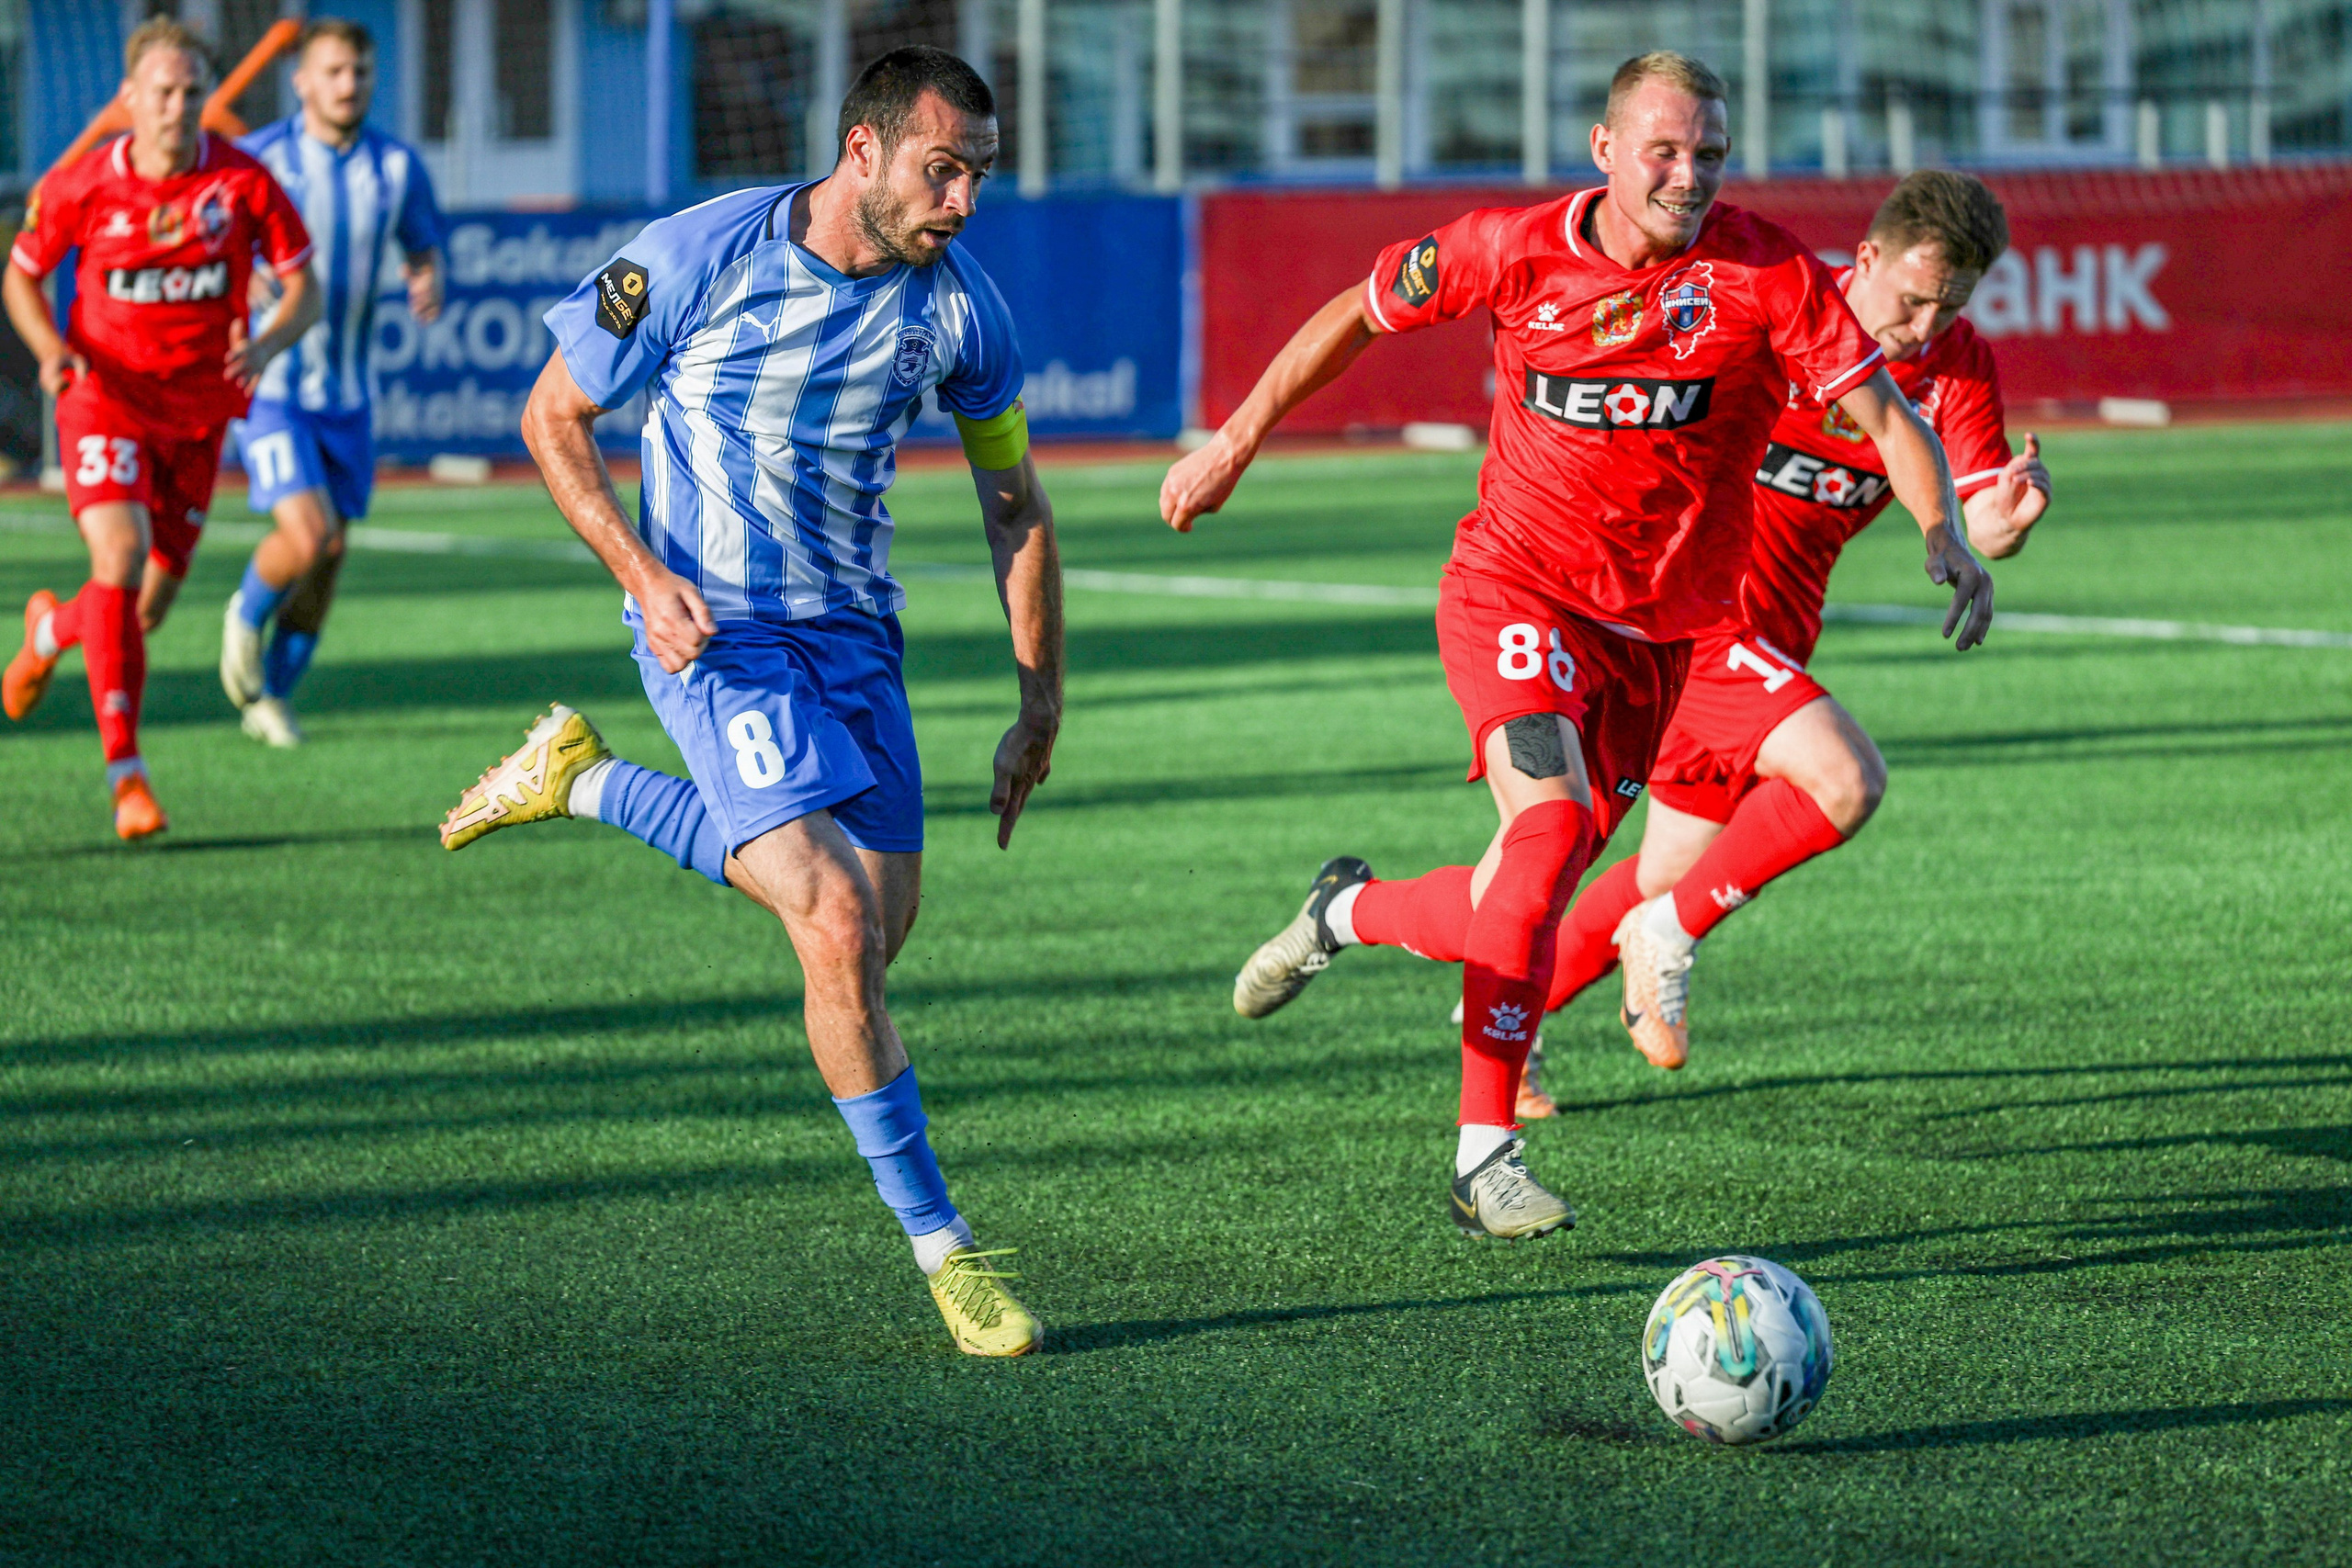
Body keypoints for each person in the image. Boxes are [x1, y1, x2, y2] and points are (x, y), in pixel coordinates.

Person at [1163, 51, 1992, 1241]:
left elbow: (1885, 416)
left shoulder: (1767, 278)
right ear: (1605, 149)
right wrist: (1236, 437)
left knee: (1525, 891)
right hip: (1515, 589)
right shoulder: (1511, 246)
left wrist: (1942, 532)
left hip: (1657, 641)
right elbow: (1360, 309)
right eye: (1664, 149)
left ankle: (1343, 911)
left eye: (1708, 153)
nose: (1688, 174)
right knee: (1548, 836)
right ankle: (1481, 1155)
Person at [435, 48, 1062, 1356]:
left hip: (857, 639)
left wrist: (1037, 696)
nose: (963, 200)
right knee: (832, 923)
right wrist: (642, 570)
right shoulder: (695, 255)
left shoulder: (960, 311)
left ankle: (584, 777)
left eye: (980, 176)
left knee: (877, 931)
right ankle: (946, 1249)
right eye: (943, 169)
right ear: (864, 154)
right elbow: (555, 415)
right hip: (714, 629)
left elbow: (1013, 502)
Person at [1529, 170, 2052, 1085]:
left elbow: (1982, 523)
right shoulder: (1775, 301)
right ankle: (1667, 937)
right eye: (1913, 299)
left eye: (1949, 306)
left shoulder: (1954, 367)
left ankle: (1503, 1014)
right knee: (1846, 782)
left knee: (1665, 868)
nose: (1924, 327)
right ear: (1866, 259)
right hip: (1688, 617)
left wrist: (2011, 512)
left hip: (1773, 638)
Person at [2, 17, 317, 838]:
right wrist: (48, 349)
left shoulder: (243, 183)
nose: (178, 107)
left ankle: (49, 630)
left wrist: (272, 338)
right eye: (163, 92)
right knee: (119, 557)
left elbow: (302, 288)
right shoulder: (81, 186)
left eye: (190, 93)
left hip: (200, 415)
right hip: (103, 397)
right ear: (130, 99)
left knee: (140, 607)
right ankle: (126, 777)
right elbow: (22, 277)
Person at [219, 17, 446, 748]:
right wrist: (241, 271)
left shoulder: (396, 167)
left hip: (349, 393)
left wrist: (426, 278)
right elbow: (212, 239)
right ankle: (244, 616)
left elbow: (423, 243)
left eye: (361, 72)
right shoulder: (257, 160)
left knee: (331, 555)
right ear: (303, 81)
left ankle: (271, 697)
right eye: (335, 71)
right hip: (272, 381)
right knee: (307, 532)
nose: (349, 85)